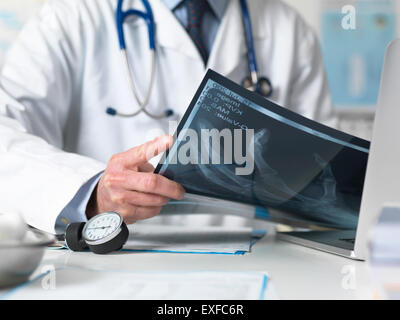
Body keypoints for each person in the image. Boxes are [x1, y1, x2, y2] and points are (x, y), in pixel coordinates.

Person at [0, 0, 335, 234]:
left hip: (256, 258)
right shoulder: (71, 16)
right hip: (114, 257)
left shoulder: (288, 30)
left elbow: (325, 171)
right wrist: (93, 191)